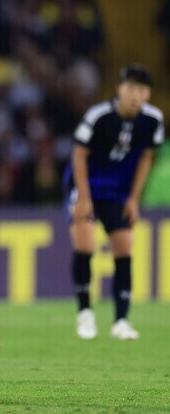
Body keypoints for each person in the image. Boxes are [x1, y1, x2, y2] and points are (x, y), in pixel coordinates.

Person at [65, 64, 164, 340]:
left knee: (124, 248)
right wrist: (83, 197)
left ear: (148, 94)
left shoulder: (153, 119)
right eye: (131, 88)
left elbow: (146, 157)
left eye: (141, 90)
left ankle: (121, 320)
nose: (135, 94)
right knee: (85, 244)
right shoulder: (99, 116)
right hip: (87, 186)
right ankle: (85, 313)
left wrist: (134, 198)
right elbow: (79, 154)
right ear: (119, 88)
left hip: (118, 192)